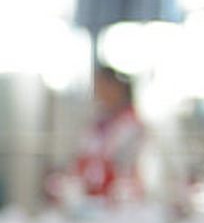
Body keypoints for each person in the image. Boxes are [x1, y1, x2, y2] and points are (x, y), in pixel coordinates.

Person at [53, 66, 147, 205]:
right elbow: (82, 159)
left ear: (117, 88)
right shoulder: (96, 124)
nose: (99, 94)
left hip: (123, 202)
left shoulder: (132, 126)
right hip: (93, 201)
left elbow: (129, 168)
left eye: (103, 87)